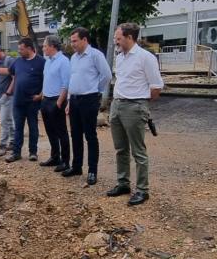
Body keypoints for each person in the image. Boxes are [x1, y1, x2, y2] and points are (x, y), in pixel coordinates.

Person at [106, 22, 164, 206]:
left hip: (134, 106)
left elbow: (156, 87)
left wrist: (141, 103)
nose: (116, 41)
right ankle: (123, 183)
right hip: (117, 105)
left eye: (118, 38)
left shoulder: (145, 57)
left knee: (138, 151)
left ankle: (142, 190)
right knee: (120, 149)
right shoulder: (120, 57)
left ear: (130, 37)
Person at [63, 27, 112, 186]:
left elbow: (107, 75)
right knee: (75, 135)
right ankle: (77, 166)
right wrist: (69, 101)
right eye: (71, 41)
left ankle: (92, 171)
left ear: (84, 40)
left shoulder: (95, 55)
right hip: (75, 100)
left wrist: (95, 91)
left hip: (89, 100)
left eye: (75, 41)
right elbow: (72, 80)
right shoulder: (74, 58)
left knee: (90, 136)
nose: (72, 44)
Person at [0, 37, 44, 163]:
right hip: (18, 101)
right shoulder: (18, 61)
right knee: (18, 128)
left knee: (33, 127)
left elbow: (48, 79)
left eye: (21, 49)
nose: (19, 51)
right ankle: (16, 153)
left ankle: (33, 152)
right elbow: (7, 71)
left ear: (29, 48)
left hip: (33, 102)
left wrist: (41, 95)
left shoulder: (41, 62)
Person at [39, 35, 71, 171]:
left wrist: (59, 102)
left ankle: (65, 161)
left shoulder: (63, 61)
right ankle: (55, 156)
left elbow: (66, 83)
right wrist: (42, 96)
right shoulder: (48, 61)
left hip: (56, 100)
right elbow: (47, 80)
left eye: (45, 45)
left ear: (52, 46)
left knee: (61, 132)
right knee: (50, 131)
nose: (43, 48)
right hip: (46, 99)